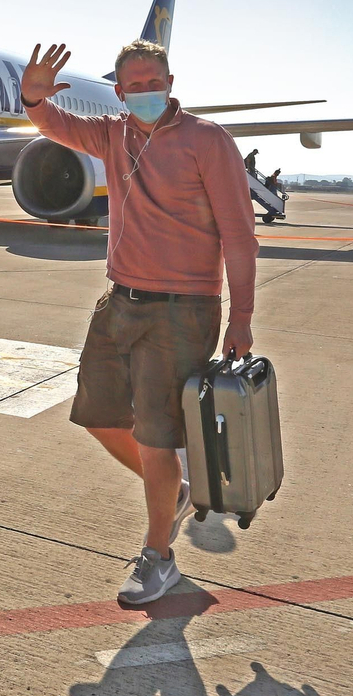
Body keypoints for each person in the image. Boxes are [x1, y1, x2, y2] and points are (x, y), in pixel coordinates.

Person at [20, 40, 258, 605]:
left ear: (171, 81)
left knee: (157, 434)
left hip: (184, 309)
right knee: (97, 414)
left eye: (157, 81)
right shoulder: (111, 134)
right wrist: (31, 94)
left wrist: (241, 316)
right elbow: (51, 123)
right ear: (120, 91)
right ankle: (173, 489)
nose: (148, 91)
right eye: (136, 85)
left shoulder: (208, 140)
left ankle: (159, 555)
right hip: (119, 302)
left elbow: (240, 234)